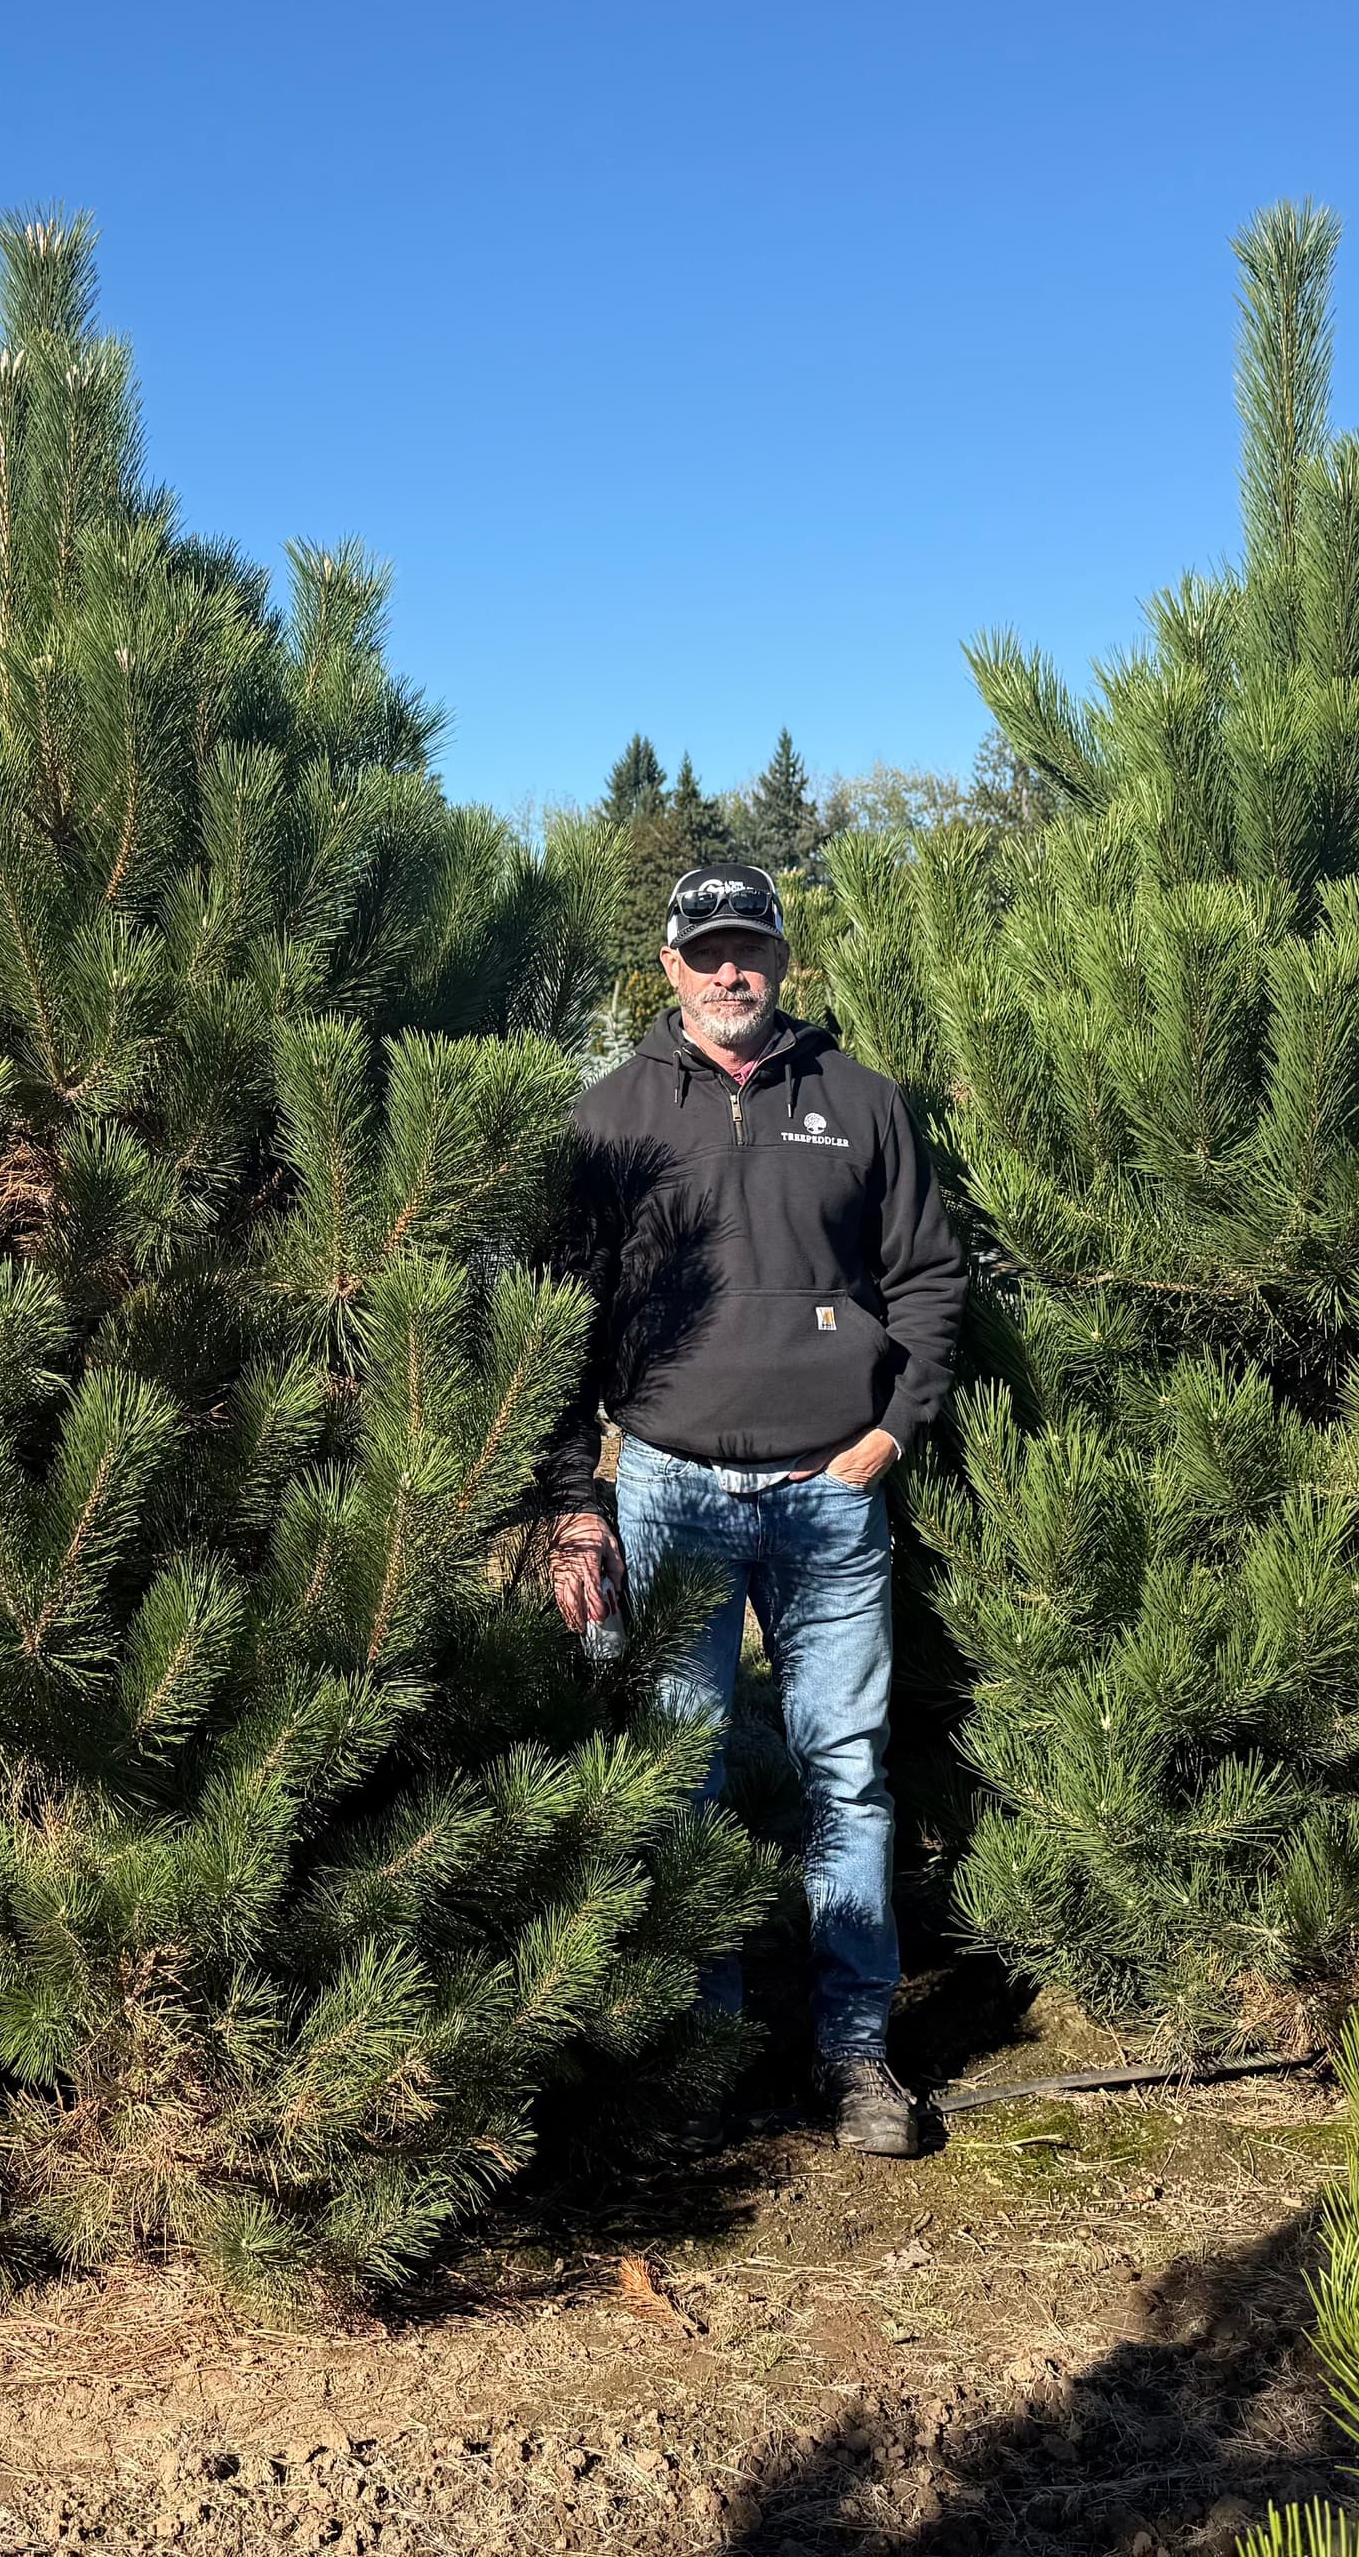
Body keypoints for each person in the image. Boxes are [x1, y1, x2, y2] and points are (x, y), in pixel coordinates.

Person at [540, 860, 971, 2157]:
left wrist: (890, 1434)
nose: (734, 972)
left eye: (755, 950)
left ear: (784, 963)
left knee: (847, 1772)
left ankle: (854, 2056)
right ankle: (707, 2052)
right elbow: (559, 1323)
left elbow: (932, 1282)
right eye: (709, 950)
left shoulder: (861, 1104)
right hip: (670, 1487)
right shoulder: (608, 1117)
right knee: (686, 1779)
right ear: (669, 967)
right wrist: (575, 1502)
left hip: (828, 1494)